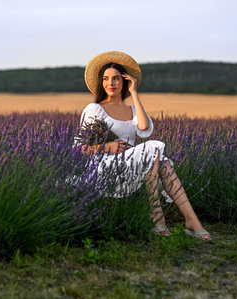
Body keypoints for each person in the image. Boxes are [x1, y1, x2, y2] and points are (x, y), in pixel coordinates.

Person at [74, 51, 211, 239]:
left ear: (125, 81)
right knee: (153, 148)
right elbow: (79, 148)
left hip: (133, 163)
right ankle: (157, 217)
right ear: (101, 82)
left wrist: (134, 93)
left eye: (116, 79)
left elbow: (144, 128)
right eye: (106, 79)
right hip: (105, 166)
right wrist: (108, 147)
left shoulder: (132, 109)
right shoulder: (94, 109)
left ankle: (192, 222)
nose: (110, 83)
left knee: (164, 163)